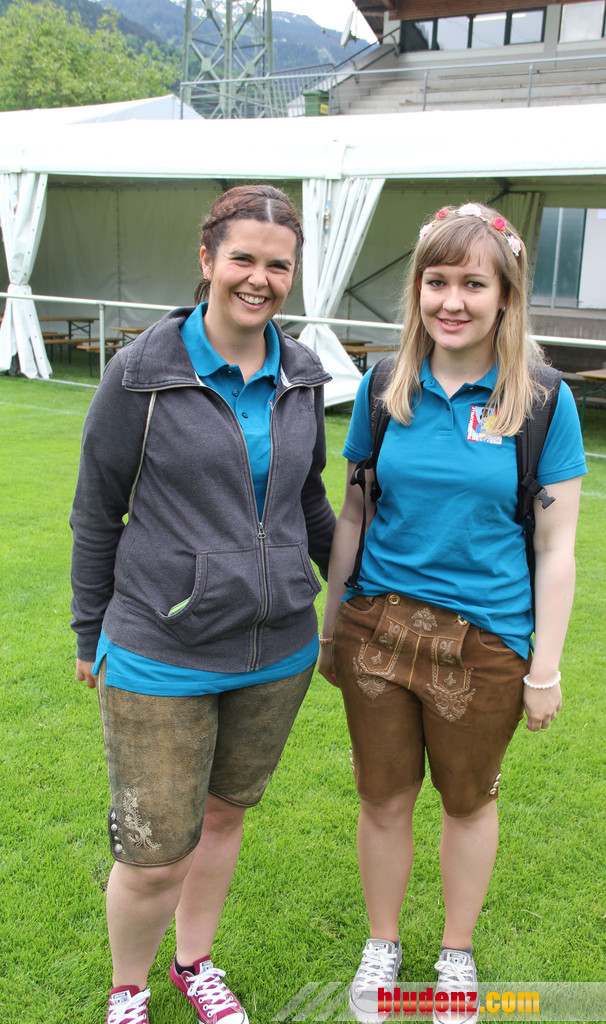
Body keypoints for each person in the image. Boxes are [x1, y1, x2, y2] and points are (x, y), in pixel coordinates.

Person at [70, 184, 336, 1024]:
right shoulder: (140, 374)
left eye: (277, 265)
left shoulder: (301, 373)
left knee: (223, 818)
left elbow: (308, 498)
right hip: (161, 650)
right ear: (207, 260)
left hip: (278, 651)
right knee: (154, 852)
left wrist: (355, 584)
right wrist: (88, 632)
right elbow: (96, 511)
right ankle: (128, 991)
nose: (259, 279)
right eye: (242, 259)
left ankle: (194, 964)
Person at [317, 202, 586, 1024]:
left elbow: (556, 548)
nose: (452, 301)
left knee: (467, 802)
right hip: (376, 628)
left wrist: (544, 670)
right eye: (436, 281)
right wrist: (331, 627)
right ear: (417, 289)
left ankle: (455, 955)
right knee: (382, 797)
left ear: (505, 295)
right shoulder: (383, 385)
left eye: (473, 283)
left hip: (485, 644)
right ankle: (382, 944)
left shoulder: (541, 400)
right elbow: (355, 513)